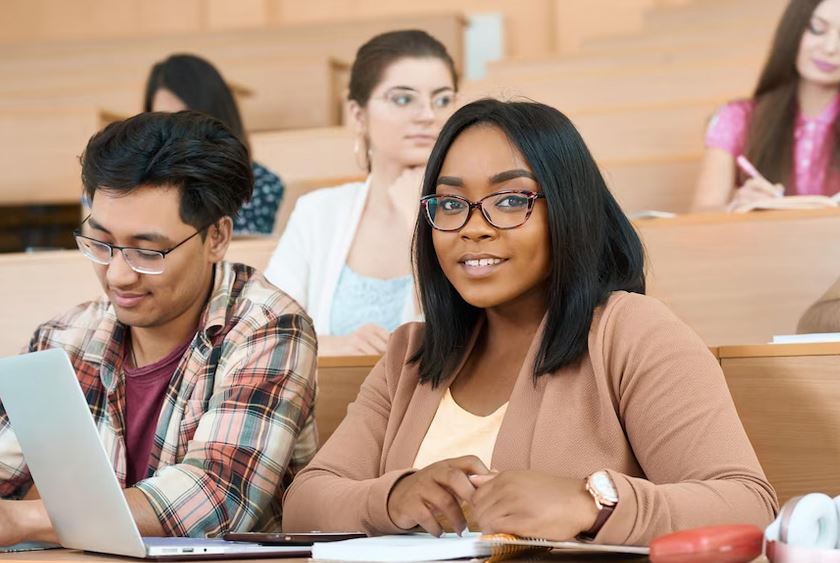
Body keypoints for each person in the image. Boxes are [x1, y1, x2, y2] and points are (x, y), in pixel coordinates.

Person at [282, 99, 778, 545]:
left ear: (569, 210)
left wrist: (592, 505)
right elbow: (306, 503)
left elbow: (748, 506)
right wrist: (396, 498)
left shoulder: (631, 332)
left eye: (511, 200)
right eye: (451, 204)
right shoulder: (411, 354)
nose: (473, 228)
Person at [0, 112, 318, 545]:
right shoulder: (62, 338)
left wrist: (24, 521)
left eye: (147, 252)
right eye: (100, 243)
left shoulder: (269, 328)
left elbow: (217, 496)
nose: (117, 276)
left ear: (217, 238)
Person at [263, 30, 458, 355]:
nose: (427, 115)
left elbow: (467, 334)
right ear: (358, 115)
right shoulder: (318, 212)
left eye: (442, 100)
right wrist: (332, 346)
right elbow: (265, 333)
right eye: (403, 98)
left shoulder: (474, 212)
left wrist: (418, 221)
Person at [693, 0, 840, 212]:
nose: (830, 48)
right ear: (793, 30)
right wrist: (738, 207)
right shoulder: (737, 118)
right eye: (817, 29)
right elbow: (701, 213)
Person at [145, 54, 285, 235]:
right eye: (162, 120)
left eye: (186, 119)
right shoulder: (137, 177)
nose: (174, 133)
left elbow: (238, 253)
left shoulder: (263, 184)